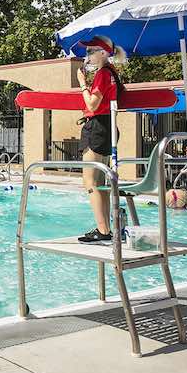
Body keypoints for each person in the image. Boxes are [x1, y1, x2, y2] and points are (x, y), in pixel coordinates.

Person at [76, 35, 127, 243]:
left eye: (91, 51)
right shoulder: (111, 74)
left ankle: (103, 230)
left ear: (103, 53)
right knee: (102, 182)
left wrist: (82, 84)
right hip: (108, 127)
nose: (87, 55)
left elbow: (92, 104)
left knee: (90, 181)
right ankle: (105, 228)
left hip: (97, 128)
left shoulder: (102, 74)